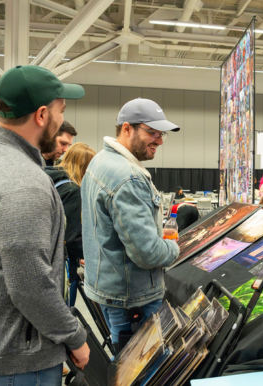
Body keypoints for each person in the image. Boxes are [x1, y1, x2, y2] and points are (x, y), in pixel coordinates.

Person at [0, 65, 90, 386]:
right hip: (16, 356)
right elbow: (29, 284)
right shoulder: (23, 182)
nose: (62, 119)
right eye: (60, 111)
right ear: (41, 115)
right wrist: (75, 337)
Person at [82, 98, 181, 351]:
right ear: (127, 129)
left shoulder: (100, 161)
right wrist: (175, 248)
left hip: (112, 291)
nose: (159, 140)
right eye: (152, 132)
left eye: (162, 135)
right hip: (132, 300)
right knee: (136, 372)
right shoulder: (128, 177)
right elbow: (147, 253)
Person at [45, 142, 96, 307]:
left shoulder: (49, 180)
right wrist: (92, 256)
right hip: (64, 265)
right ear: (84, 167)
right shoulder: (73, 191)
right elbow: (72, 237)